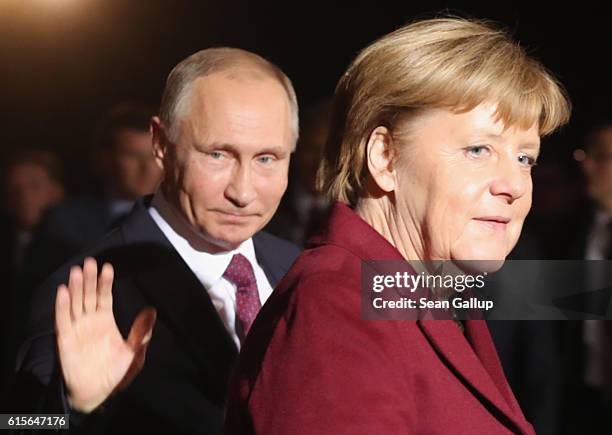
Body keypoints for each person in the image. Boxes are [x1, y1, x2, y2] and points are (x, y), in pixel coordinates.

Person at [224, 18, 570, 434]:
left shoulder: (420, 293)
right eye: (478, 149)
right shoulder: (336, 305)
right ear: (385, 158)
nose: (515, 185)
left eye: (524, 158)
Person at [12, 47, 300, 435]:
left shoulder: (300, 266)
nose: (243, 191)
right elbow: (18, 423)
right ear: (162, 144)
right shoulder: (81, 291)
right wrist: (75, 408)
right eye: (217, 154)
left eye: (267, 159)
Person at [23, 103, 163, 291]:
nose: (146, 167)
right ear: (106, 159)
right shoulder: (64, 222)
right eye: (132, 155)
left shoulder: (179, 219)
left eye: (152, 155)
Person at [0, 151, 65, 399]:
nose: (24, 196)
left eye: (34, 186)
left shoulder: (73, 250)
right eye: (14, 189)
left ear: (56, 191)